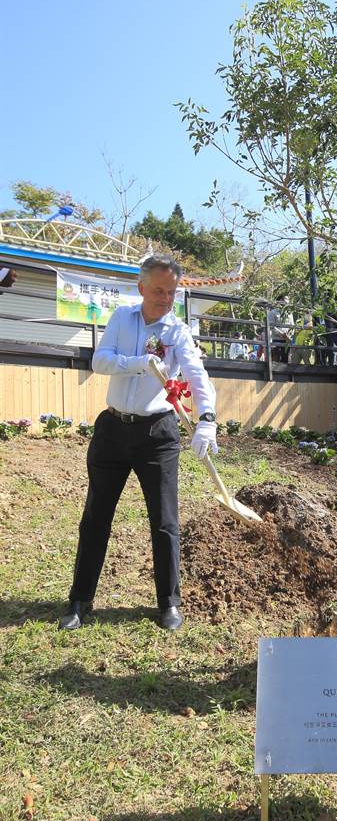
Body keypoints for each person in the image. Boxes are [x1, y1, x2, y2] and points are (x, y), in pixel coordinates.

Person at [59, 255, 218, 633]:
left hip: (157, 435)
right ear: (142, 287)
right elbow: (101, 361)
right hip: (113, 429)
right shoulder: (121, 319)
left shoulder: (177, 330)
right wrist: (139, 362)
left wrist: (207, 419)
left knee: (164, 522)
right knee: (95, 518)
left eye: (172, 292)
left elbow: (197, 373)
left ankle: (169, 603)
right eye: (159, 290)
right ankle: (80, 600)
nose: (165, 298)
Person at [267, 295, 294, 363]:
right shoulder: (273, 312)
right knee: (276, 360)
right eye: (285, 299)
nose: (287, 301)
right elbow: (271, 326)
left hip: (287, 341)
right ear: (279, 301)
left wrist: (289, 335)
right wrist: (282, 334)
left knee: (285, 360)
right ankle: (275, 373)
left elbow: (292, 326)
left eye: (288, 299)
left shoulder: (289, 313)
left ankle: (284, 374)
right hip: (277, 340)